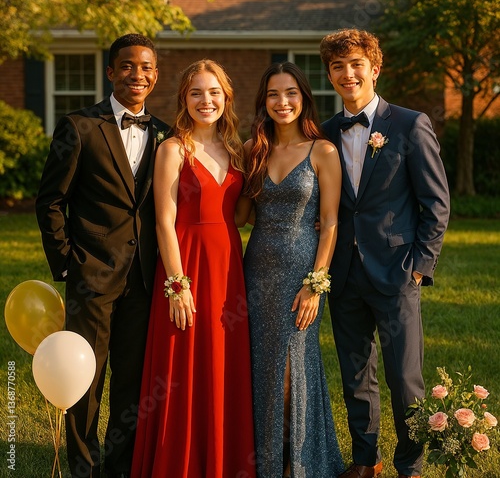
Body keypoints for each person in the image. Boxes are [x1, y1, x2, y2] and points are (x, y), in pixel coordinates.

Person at [35, 33, 170, 478]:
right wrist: (68, 264)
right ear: (111, 72)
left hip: (145, 280)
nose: (138, 74)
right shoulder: (79, 127)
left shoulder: (166, 134)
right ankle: (83, 469)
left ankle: (121, 468)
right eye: (128, 66)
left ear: (155, 75)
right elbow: (50, 201)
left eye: (147, 67)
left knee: (131, 386)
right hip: (90, 278)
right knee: (85, 383)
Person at [319, 28, 451, 478]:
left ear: (375, 69)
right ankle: (364, 458)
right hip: (344, 273)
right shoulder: (326, 133)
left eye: (356, 64)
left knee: (404, 379)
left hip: (397, 272)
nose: (347, 73)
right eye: (338, 66)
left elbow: (436, 203)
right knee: (356, 375)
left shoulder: (410, 124)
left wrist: (419, 267)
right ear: (331, 75)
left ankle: (409, 464)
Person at [130, 59, 256, 478]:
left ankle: (222, 459)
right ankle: (178, 462)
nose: (207, 100)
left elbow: (238, 217)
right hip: (185, 265)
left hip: (227, 270)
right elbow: (163, 219)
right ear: (184, 98)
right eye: (197, 92)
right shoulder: (172, 148)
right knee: (182, 364)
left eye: (214, 92)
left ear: (226, 98)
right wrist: (177, 284)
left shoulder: (237, 149)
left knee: (222, 364)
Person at [242, 61, 344, 477]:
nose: (282, 102)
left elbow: (331, 222)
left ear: (303, 98)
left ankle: (297, 462)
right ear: (263, 102)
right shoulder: (254, 150)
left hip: (301, 273)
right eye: (273, 95)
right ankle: (264, 461)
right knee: (261, 368)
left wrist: (316, 285)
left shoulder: (323, 151)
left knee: (291, 370)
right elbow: (241, 216)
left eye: (290, 94)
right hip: (256, 271)